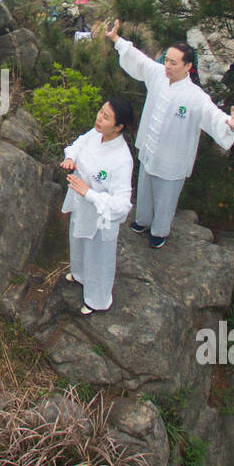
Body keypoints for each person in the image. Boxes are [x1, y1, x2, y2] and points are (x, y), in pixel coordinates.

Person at [102, 19, 234, 247]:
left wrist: (230, 123)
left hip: (173, 158)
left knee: (166, 198)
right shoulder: (157, 74)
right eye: (166, 60)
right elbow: (138, 60)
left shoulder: (195, 96)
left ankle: (159, 232)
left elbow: (213, 116)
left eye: (173, 63)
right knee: (145, 187)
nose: (167, 66)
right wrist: (116, 39)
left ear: (188, 66)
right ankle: (142, 220)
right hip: (151, 148)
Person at [60, 96, 135, 314]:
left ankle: (97, 300)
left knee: (98, 257)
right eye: (101, 112)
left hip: (101, 215)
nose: (99, 118)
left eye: (106, 117)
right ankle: (80, 275)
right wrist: (71, 158)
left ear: (119, 126)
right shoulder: (96, 134)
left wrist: (89, 193)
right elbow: (78, 144)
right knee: (78, 241)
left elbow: (122, 204)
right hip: (82, 205)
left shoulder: (122, 159)